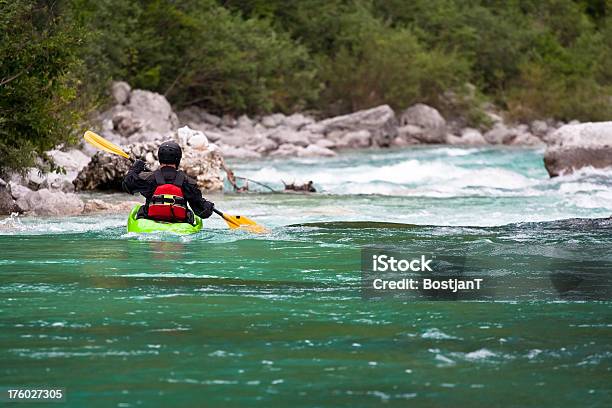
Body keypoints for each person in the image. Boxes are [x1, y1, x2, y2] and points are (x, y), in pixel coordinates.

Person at [122, 141, 215, 223]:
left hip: (150, 221)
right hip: (180, 224)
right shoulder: (188, 182)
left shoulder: (148, 178)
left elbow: (127, 185)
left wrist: (135, 169)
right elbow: (201, 212)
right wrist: (207, 206)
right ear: (178, 159)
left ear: (159, 158)